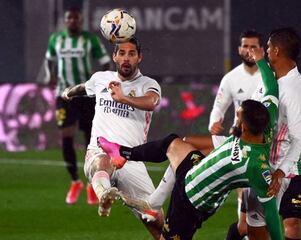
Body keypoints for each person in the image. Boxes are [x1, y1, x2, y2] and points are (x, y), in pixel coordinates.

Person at [98, 48, 284, 240]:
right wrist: (261, 60)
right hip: (194, 167)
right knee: (172, 142)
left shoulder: (255, 166)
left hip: (193, 198)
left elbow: (270, 213)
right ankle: (122, 152)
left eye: (237, 117)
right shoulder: (265, 119)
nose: (234, 120)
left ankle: (152, 204)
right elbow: (272, 88)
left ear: (244, 127)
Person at [61, 37, 164, 239]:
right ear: (114, 56)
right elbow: (84, 87)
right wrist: (68, 93)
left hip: (132, 161)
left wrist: (123, 97)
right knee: (104, 160)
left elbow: (152, 102)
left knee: (159, 223)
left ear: (139, 58)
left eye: (132, 54)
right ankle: (104, 194)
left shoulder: (148, 84)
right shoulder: (101, 78)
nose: (126, 58)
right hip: (99, 153)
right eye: (122, 53)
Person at [45, 7, 111, 205]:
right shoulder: (56, 39)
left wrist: (98, 82)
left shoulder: (89, 39)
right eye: (69, 18)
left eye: (76, 18)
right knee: (66, 135)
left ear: (80, 21)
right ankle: (75, 182)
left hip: (85, 95)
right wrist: (52, 76)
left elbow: (105, 62)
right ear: (65, 21)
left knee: (91, 138)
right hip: (64, 96)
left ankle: (92, 183)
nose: (73, 21)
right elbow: (49, 59)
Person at [249, 27, 301, 240]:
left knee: (291, 225)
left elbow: (299, 137)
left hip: (285, 170)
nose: (265, 51)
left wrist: (281, 171)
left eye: (268, 47)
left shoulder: (293, 89)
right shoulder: (271, 81)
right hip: (262, 165)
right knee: (253, 229)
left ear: (276, 51)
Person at [209, 29, 263, 240]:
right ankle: (247, 231)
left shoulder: (268, 77)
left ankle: (250, 230)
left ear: (262, 50)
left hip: (265, 142)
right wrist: (214, 123)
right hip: (240, 141)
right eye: (245, 46)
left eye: (253, 46)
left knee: (261, 189)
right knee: (244, 187)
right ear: (239, 49)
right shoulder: (231, 78)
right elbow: (218, 108)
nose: (249, 50)